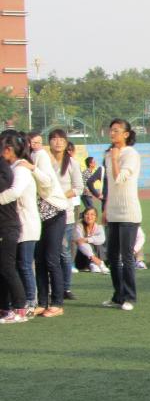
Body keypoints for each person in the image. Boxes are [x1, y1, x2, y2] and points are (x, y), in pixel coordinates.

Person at [101, 119, 141, 311]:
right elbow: (109, 184)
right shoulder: (109, 154)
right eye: (111, 130)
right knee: (111, 256)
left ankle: (130, 297)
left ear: (126, 134)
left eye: (116, 130)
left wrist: (116, 158)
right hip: (114, 211)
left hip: (128, 212)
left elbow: (119, 178)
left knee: (126, 257)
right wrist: (105, 208)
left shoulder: (131, 154)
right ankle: (118, 295)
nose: (112, 133)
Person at [0, 131, 38, 320]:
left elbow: (14, 193)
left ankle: (23, 306)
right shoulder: (12, 167)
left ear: (8, 149)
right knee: (11, 266)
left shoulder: (19, 169)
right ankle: (9, 307)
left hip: (18, 224)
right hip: (14, 223)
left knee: (16, 266)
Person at [31, 134, 68, 317]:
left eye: (38, 142)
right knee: (39, 260)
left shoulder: (40, 156)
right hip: (39, 218)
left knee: (52, 259)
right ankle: (42, 302)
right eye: (32, 142)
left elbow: (47, 182)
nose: (35, 145)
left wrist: (32, 169)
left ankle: (57, 303)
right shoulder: (27, 158)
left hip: (55, 214)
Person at [48, 129, 83, 300]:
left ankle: (65, 287)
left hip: (65, 213)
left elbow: (78, 188)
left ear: (66, 142)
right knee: (49, 251)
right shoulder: (45, 161)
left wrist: (60, 197)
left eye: (61, 139)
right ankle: (51, 287)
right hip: (46, 213)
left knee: (63, 251)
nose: (58, 142)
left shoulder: (72, 163)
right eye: (54, 139)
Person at [73, 206, 108, 273]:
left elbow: (102, 239)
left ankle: (97, 264)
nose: (89, 217)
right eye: (87, 214)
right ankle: (94, 263)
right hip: (81, 257)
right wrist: (93, 257)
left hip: (94, 256)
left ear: (96, 217)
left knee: (98, 242)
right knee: (84, 243)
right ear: (83, 216)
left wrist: (87, 239)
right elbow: (80, 243)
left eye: (92, 214)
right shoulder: (78, 226)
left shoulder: (98, 227)